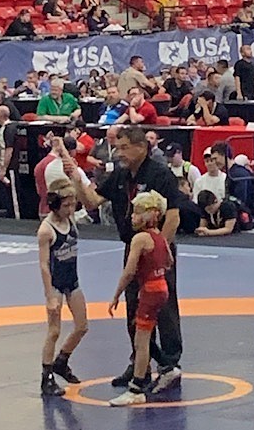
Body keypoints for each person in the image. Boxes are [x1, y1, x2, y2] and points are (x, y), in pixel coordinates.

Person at [69, 127, 182, 391]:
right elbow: (92, 201)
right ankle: (139, 361)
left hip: (157, 251)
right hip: (133, 248)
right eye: (117, 148)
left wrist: (159, 252)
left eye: (123, 147)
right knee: (134, 309)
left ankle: (170, 365)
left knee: (163, 308)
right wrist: (76, 178)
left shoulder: (159, 174)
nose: (118, 153)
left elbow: (173, 215)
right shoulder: (120, 175)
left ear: (141, 147)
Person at [108, 190, 172, 406]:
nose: (132, 217)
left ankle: (136, 389)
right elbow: (169, 261)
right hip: (162, 288)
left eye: (137, 213)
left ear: (151, 214)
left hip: (150, 291)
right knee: (141, 330)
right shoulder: (160, 236)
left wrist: (116, 294)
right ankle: (168, 367)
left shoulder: (140, 238)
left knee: (141, 341)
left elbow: (129, 271)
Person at [37, 176, 88, 396]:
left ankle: (61, 361)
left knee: (82, 326)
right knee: (54, 331)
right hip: (56, 284)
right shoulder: (46, 231)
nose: (70, 209)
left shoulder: (71, 220)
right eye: (65, 205)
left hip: (72, 281)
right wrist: (50, 296)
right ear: (54, 204)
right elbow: (43, 264)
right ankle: (46, 378)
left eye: (72, 204)